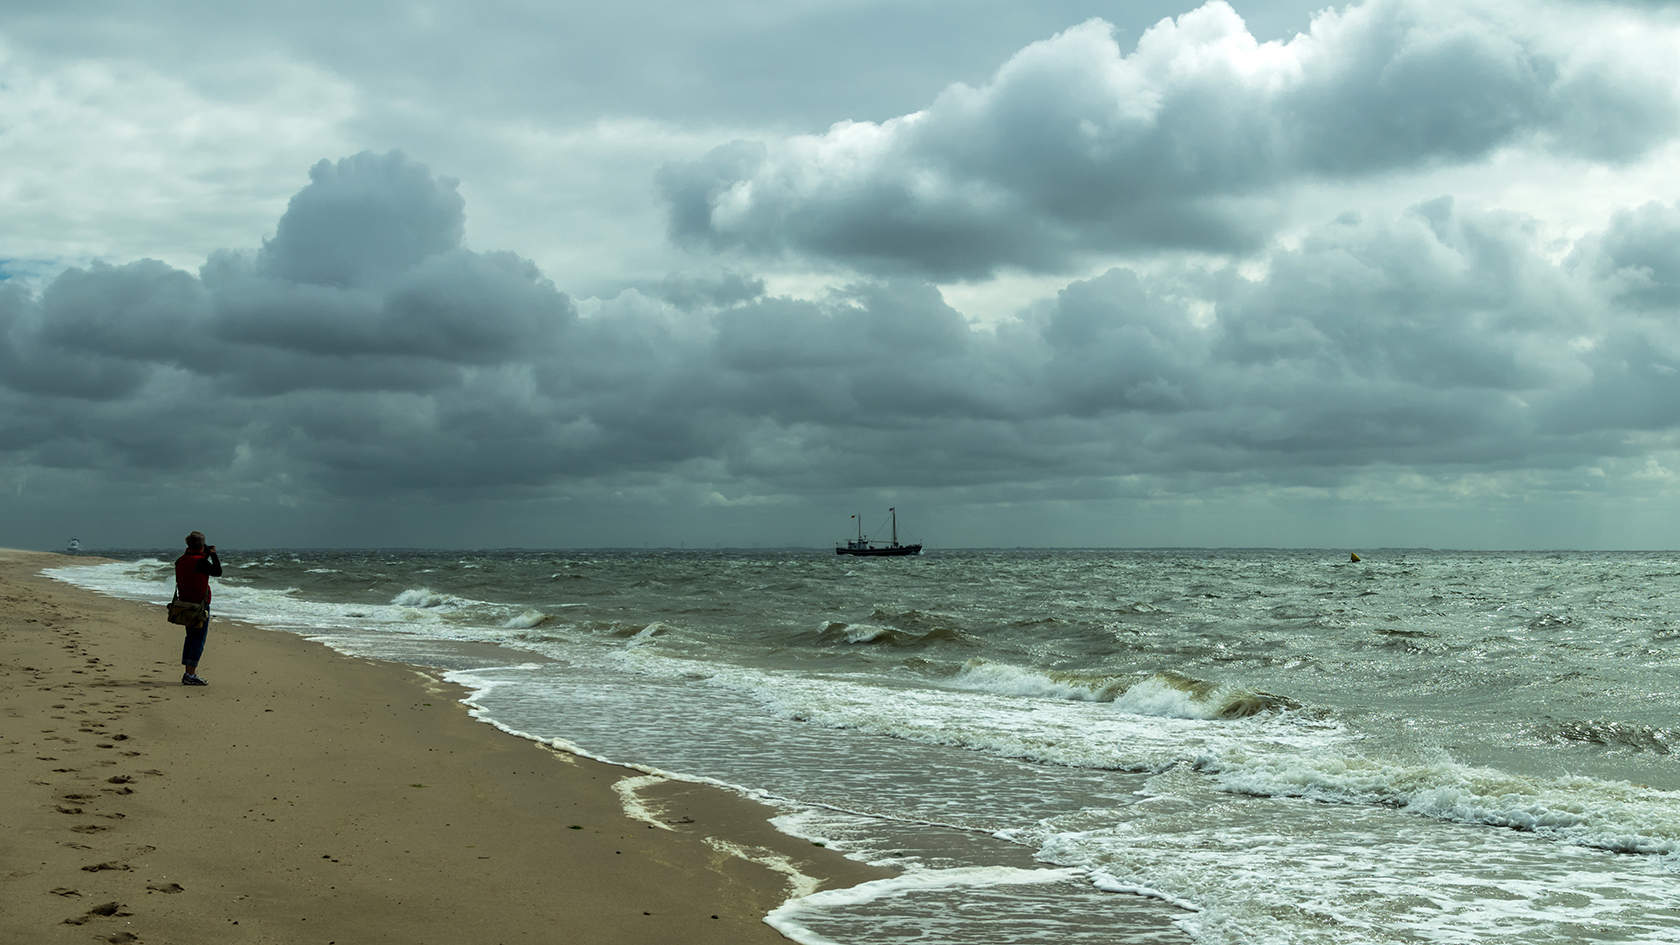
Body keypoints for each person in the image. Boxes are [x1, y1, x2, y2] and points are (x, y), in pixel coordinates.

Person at [174, 531, 222, 686]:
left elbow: (196, 569)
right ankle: (190, 674)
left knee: (190, 638)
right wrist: (213, 555)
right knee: (198, 640)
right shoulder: (200, 561)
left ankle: (188, 673)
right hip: (199, 606)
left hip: (185, 605)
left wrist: (205, 555)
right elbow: (217, 571)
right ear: (201, 545)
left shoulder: (181, 560)